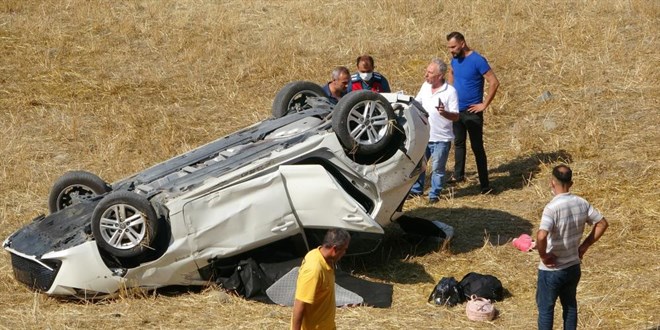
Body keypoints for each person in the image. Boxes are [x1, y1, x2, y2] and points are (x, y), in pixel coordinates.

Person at [536, 165, 609, 330]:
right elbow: (602, 223)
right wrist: (584, 246)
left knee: (546, 310)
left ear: (552, 183)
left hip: (552, 271)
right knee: (570, 307)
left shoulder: (551, 208)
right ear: (571, 183)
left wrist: (544, 256)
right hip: (573, 266)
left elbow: (541, 235)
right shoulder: (581, 203)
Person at [446, 32, 500, 194]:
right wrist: (449, 93)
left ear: (463, 43)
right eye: (449, 47)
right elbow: (452, 72)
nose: (451, 50)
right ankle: (458, 175)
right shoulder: (455, 59)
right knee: (459, 143)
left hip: (472, 112)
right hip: (457, 110)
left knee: (477, 147)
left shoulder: (477, 60)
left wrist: (484, 105)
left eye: (453, 47)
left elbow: (494, 82)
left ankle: (485, 185)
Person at [409, 58, 459, 203]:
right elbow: (416, 104)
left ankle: (434, 194)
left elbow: (456, 116)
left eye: (430, 73)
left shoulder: (450, 92)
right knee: (419, 166)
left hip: (441, 138)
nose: (426, 75)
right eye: (427, 71)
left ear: (440, 76)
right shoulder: (425, 86)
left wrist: (444, 113)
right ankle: (416, 190)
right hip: (424, 136)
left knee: (437, 168)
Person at [291, 228, 351, 330]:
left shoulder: (325, 258)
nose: (345, 253)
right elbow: (299, 305)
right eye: (344, 249)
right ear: (334, 249)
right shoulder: (314, 269)